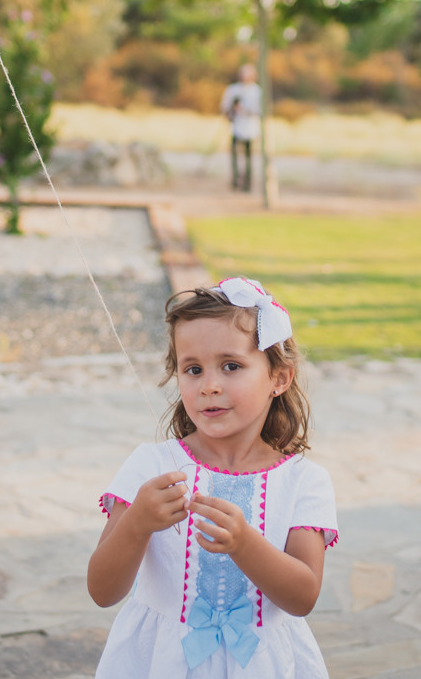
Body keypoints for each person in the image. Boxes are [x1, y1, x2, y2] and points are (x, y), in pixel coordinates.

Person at [88, 277, 336, 678]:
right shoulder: (151, 467)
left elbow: (303, 597)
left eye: (231, 366)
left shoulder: (304, 481)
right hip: (161, 662)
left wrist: (244, 544)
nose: (210, 386)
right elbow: (102, 591)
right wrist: (137, 524)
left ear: (279, 378)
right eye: (193, 369)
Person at [219, 65, 261, 191]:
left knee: (248, 157)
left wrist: (246, 109)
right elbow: (224, 107)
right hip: (235, 127)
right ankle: (235, 181)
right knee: (234, 155)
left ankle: (247, 183)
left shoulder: (257, 91)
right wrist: (231, 109)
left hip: (250, 128)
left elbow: (259, 109)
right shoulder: (233, 89)